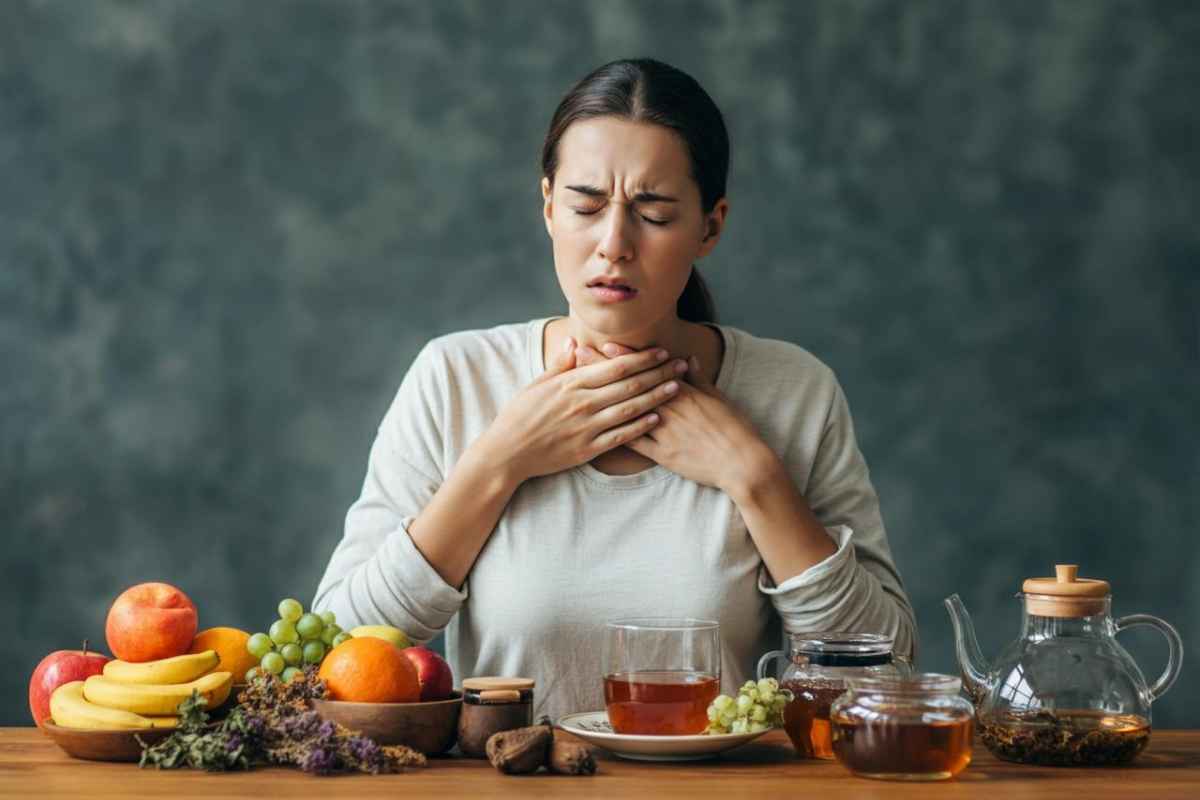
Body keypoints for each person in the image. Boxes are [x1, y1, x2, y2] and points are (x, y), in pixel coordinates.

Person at [313, 58, 916, 722]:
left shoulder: (795, 391)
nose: (613, 244)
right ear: (548, 207)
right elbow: (332, 654)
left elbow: (886, 674)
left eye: (654, 213)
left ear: (710, 226)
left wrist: (756, 478)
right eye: (586, 205)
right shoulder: (455, 379)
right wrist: (499, 461)